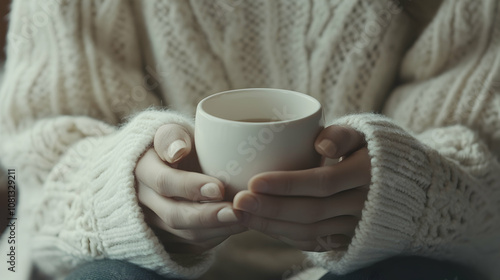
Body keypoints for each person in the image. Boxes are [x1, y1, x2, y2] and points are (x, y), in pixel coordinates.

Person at [0, 0, 498, 279]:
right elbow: (35, 158)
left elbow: (484, 152)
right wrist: (117, 196)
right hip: (144, 266)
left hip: (370, 262)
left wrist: (411, 194)